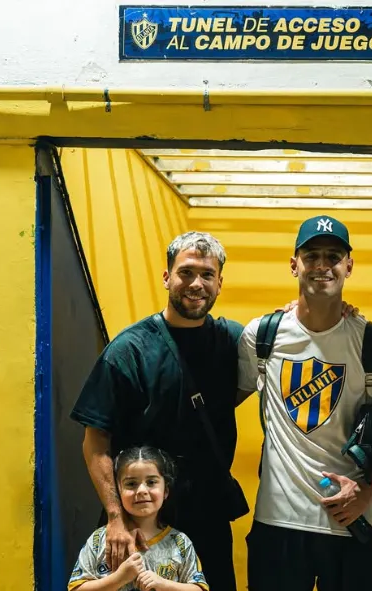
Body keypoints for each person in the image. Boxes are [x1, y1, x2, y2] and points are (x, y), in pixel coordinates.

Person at [236, 215, 372, 591]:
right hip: (278, 526)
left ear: (349, 266)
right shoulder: (262, 337)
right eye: (312, 256)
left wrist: (369, 489)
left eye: (333, 257)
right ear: (294, 265)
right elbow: (219, 406)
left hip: (351, 527)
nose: (322, 265)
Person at [70, 232, 242, 591]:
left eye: (207, 275)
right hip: (141, 518)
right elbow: (95, 441)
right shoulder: (130, 350)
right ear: (167, 277)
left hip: (208, 515)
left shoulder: (233, 341)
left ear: (220, 283)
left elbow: (290, 337)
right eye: (186, 272)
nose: (196, 284)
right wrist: (116, 517)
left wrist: (299, 311)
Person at [68, 446, 209, 591]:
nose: (141, 490)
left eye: (151, 482)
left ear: (165, 491)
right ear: (118, 491)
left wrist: (163, 584)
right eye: (131, 484)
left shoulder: (179, 542)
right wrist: (119, 579)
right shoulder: (100, 540)